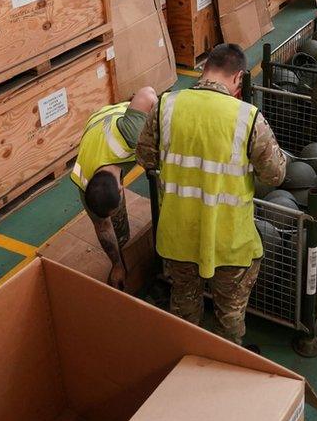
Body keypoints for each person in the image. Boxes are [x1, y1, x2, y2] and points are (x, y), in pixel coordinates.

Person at [135, 43, 286, 346]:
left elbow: (145, 158)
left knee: (183, 304)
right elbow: (275, 175)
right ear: (238, 78)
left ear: (205, 69)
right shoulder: (248, 118)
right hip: (230, 242)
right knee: (230, 315)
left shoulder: (166, 106)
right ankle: (229, 357)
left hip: (179, 237)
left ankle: (184, 354)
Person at [71, 86, 158, 290]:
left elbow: (147, 92)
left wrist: (157, 122)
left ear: (121, 188)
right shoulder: (85, 186)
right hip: (97, 132)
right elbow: (102, 227)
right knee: (115, 229)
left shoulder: (130, 134)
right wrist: (117, 265)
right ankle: (125, 254)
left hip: (115, 119)